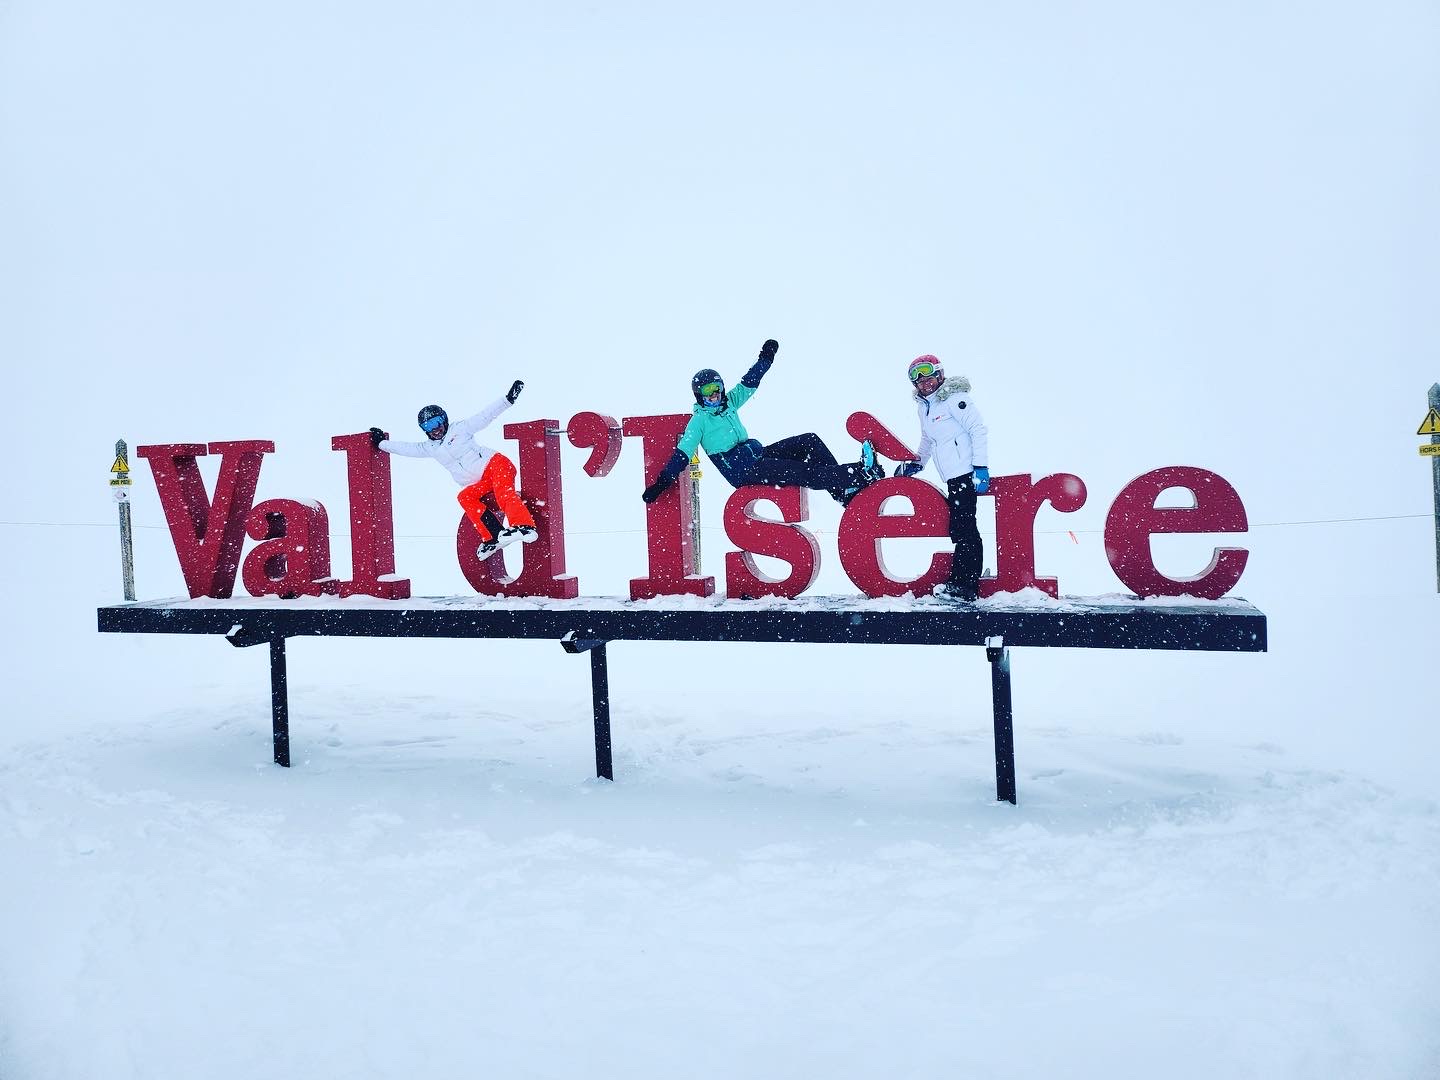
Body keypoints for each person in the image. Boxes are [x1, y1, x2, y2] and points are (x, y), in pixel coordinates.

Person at [641, 339, 885, 507]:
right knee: (804, 472)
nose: (714, 394)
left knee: (809, 441)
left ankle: (845, 492)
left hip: (756, 456)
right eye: (708, 391)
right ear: (699, 395)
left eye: (717, 388)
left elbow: (750, 382)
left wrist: (765, 358)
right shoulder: (699, 422)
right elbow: (682, 454)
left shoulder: (729, 403)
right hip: (742, 470)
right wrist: (661, 484)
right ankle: (862, 474)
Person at [369, 380, 536, 561]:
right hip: (481, 482)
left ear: (444, 419)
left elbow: (485, 416)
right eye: (427, 427)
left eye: (436, 423)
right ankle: (494, 536)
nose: (434, 429)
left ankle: (524, 526)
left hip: (496, 465)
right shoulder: (430, 448)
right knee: (465, 497)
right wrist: (381, 443)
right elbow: (406, 448)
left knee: (504, 493)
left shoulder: (461, 429)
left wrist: (508, 400)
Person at [894, 355, 990, 600]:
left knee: (965, 529)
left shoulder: (954, 400)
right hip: (951, 476)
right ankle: (962, 581)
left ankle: (965, 587)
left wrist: (980, 467)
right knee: (959, 528)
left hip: (965, 473)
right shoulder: (924, 407)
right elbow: (928, 440)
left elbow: (977, 429)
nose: (922, 380)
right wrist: (917, 464)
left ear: (939, 373)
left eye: (926, 373)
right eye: (915, 376)